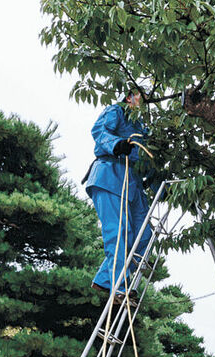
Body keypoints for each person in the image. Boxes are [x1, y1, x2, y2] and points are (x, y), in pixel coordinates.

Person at [83, 87, 161, 301]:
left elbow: (148, 161)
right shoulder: (117, 111)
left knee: (144, 236)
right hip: (110, 175)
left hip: (133, 183)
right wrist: (117, 145)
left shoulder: (143, 128)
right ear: (129, 97)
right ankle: (120, 286)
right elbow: (99, 132)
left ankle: (104, 279)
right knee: (119, 233)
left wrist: (164, 190)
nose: (145, 102)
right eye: (141, 97)